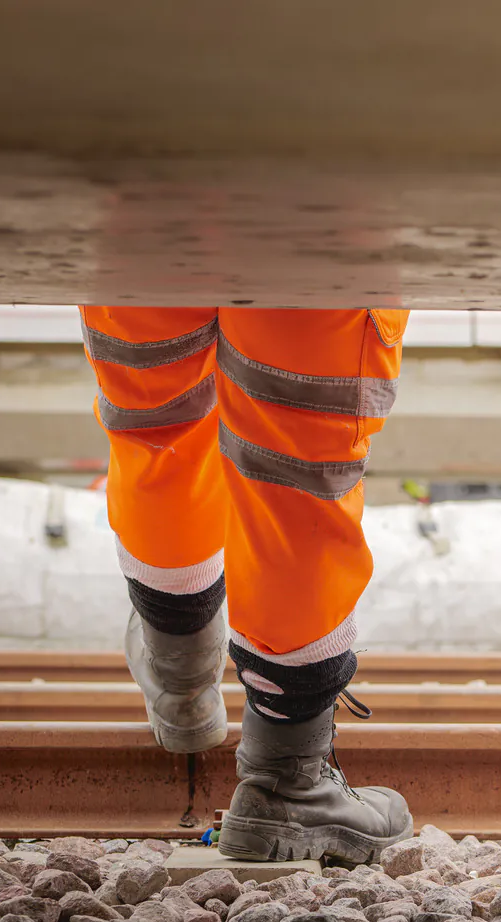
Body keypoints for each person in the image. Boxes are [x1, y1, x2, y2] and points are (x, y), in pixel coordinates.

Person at [81, 306, 414, 863]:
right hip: (309, 226)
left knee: (155, 421)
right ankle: (287, 780)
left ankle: (177, 677)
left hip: (140, 222)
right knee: (297, 454)